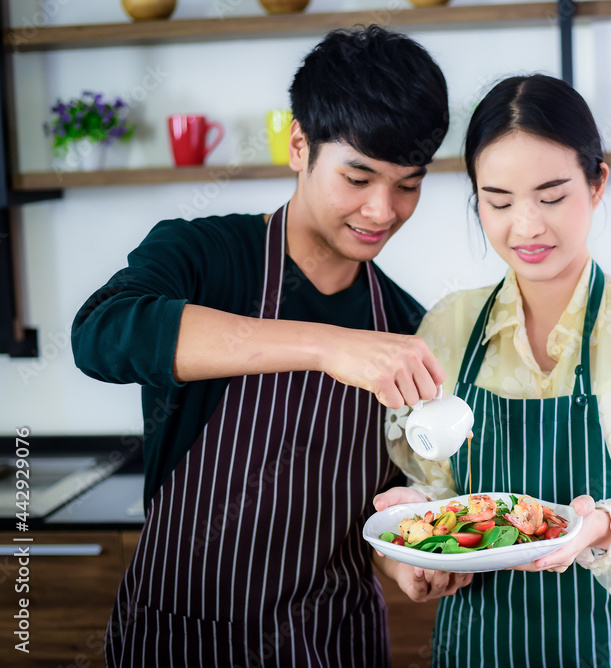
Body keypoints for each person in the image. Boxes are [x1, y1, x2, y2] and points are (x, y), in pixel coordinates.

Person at [72, 25, 469, 667]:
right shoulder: (203, 256)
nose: (382, 210)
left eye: (408, 184)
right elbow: (101, 335)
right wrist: (327, 346)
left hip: (333, 642)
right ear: (299, 145)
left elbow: (379, 513)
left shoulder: (403, 323)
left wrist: (405, 562)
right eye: (358, 177)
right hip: (183, 637)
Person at [376, 74, 611, 667]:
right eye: (497, 202)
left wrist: (604, 530)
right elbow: (435, 491)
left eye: (551, 196)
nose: (526, 227)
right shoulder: (447, 328)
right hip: (474, 651)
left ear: (597, 184)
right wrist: (407, 539)